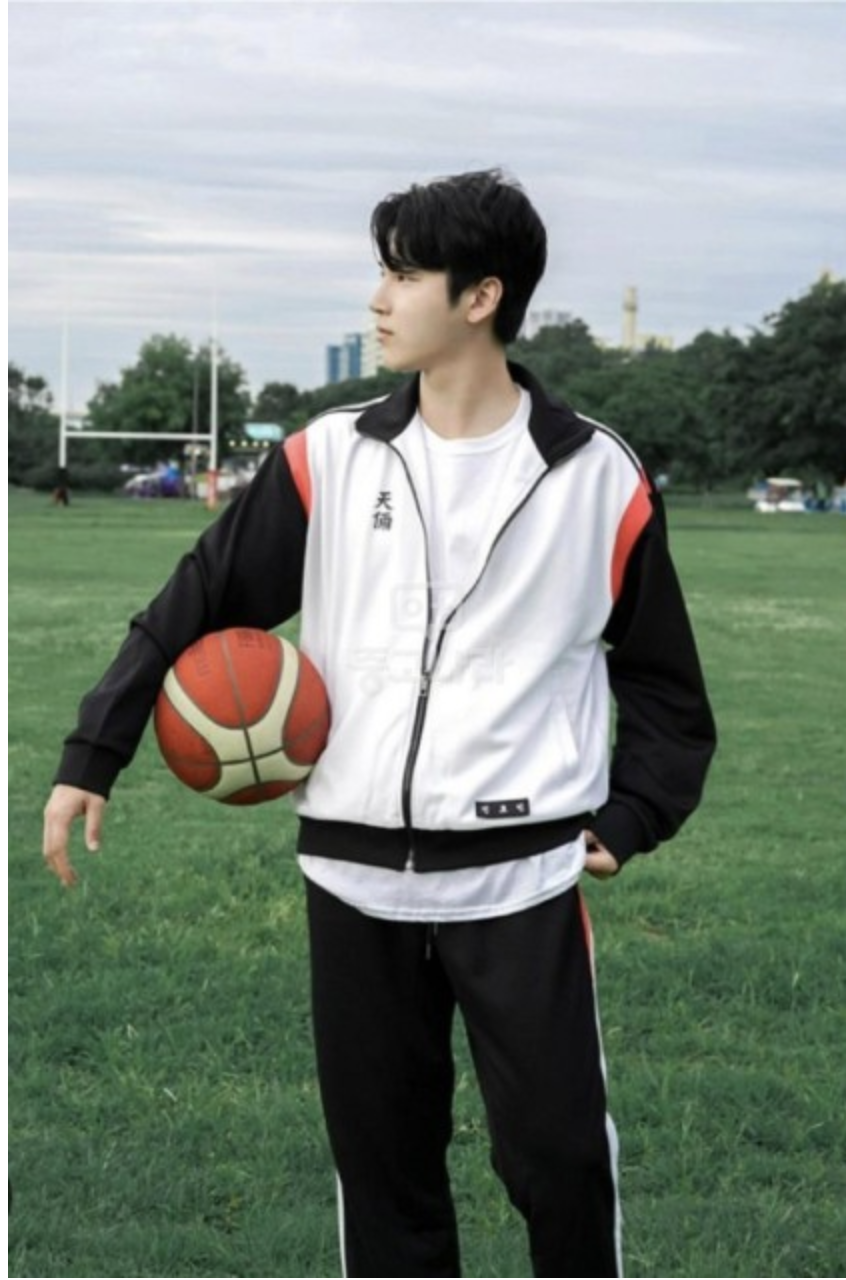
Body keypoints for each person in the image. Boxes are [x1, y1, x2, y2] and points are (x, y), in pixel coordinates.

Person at [43, 169, 717, 1278]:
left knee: (559, 1166)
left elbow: (666, 686)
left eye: (405, 274)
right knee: (386, 1178)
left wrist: (636, 810)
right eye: (383, 271)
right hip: (352, 879)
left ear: (481, 297)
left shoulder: (597, 475)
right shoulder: (327, 457)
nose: (378, 297)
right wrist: (94, 754)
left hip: (520, 881)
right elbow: (197, 600)